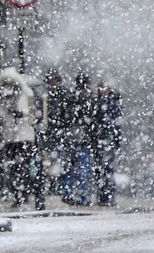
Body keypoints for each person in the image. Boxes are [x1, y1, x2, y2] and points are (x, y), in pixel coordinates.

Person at [0, 68, 38, 206]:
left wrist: (20, 114)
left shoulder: (24, 95)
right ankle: (18, 194)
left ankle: (25, 193)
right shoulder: (1, 98)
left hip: (24, 136)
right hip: (10, 137)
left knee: (22, 166)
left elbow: (30, 114)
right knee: (13, 168)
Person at [62, 73, 97, 206]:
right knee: (84, 170)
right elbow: (93, 121)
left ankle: (68, 193)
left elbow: (64, 117)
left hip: (70, 138)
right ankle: (84, 196)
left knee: (69, 169)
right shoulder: (89, 99)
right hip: (84, 140)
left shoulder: (70, 97)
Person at [39, 70, 70, 196]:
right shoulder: (45, 94)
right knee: (49, 160)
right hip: (51, 131)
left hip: (57, 131)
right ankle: (52, 184)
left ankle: (56, 184)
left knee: (57, 160)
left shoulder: (60, 94)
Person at [93, 80, 122, 206]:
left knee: (107, 170)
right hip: (103, 140)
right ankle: (104, 196)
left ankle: (107, 197)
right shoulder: (107, 103)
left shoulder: (110, 103)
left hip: (107, 140)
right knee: (102, 171)